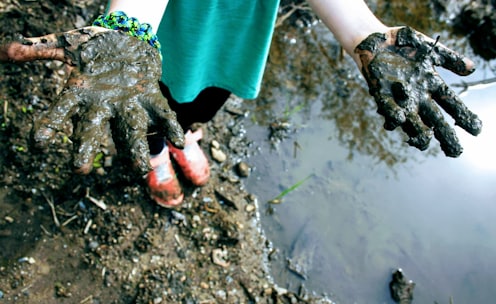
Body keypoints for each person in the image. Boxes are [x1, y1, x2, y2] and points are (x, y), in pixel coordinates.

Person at [0, 0, 482, 208]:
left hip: (233, 39)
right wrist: (127, 24)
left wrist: (362, 32)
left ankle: (187, 138)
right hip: (164, 32)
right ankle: (155, 157)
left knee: (207, 101)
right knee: (152, 106)